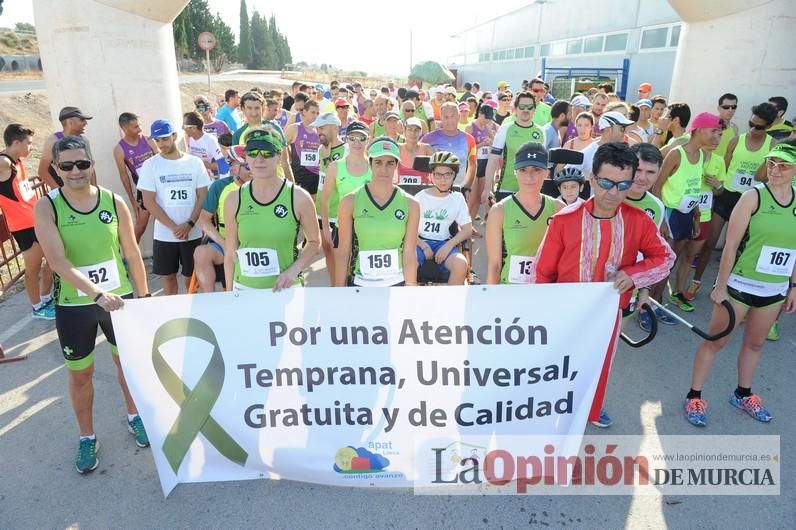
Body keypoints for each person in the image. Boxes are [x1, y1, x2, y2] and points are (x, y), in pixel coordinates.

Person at [534, 142, 675, 427]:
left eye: (623, 185)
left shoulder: (639, 222)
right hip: (564, 313)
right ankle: (546, 410)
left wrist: (634, 275)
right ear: (592, 178)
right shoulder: (564, 220)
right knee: (557, 365)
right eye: (606, 182)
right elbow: (543, 272)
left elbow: (665, 258)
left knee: (598, 364)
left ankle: (591, 410)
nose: (613, 193)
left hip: (609, 314)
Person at [33, 135, 151, 473]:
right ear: (56, 169)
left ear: (91, 164)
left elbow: (131, 252)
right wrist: (97, 293)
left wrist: (143, 299)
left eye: (81, 164)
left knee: (127, 365)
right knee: (81, 375)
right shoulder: (48, 206)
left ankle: (135, 416)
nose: (75, 171)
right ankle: (87, 437)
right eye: (66, 166)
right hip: (76, 305)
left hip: (121, 300)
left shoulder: (114, 202)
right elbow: (57, 261)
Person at [682, 141, 796, 427]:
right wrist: (720, 286)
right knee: (717, 342)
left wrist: (793, 286)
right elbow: (730, 246)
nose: (775, 170)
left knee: (755, 344)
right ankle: (694, 396)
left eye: (784, 165)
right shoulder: (753, 197)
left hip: (774, 289)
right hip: (741, 286)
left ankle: (743, 394)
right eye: (772, 163)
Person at [690, 102, 778, 307]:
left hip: (751, 202)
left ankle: (722, 286)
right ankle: (696, 282)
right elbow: (726, 168)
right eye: (751, 124)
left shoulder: (773, 145)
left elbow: (765, 177)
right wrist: (719, 185)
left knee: (738, 246)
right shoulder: (736, 141)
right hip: (728, 197)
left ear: (770, 126)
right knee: (709, 243)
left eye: (760, 127)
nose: (754, 129)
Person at [223, 129, 320, 291]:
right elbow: (230, 252)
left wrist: (292, 272)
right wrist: (229, 293)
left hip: (284, 288)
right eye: (253, 153)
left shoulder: (298, 197)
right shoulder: (234, 199)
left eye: (267, 153)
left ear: (279, 156)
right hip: (245, 288)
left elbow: (314, 242)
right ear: (246, 158)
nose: (259, 159)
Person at [653, 112, 722, 312]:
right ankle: (650, 305)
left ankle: (657, 303)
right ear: (699, 130)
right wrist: (661, 220)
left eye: (719, 134)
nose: (717, 138)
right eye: (714, 132)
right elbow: (657, 187)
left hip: (687, 214)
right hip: (670, 213)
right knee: (664, 262)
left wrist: (697, 216)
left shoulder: (701, 155)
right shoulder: (676, 153)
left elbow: (694, 189)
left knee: (672, 263)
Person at [335, 137, 420, 287]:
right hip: (361, 283)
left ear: (396, 165)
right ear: (370, 164)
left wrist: (410, 290)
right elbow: (343, 252)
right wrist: (339, 290)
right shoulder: (350, 201)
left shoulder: (411, 204)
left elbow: (409, 253)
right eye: (378, 162)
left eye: (390, 163)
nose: (384, 170)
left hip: (396, 283)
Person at [138, 120, 210, 295]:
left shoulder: (194, 162)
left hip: (191, 233)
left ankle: (193, 311)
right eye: (157, 140)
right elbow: (148, 202)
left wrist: (189, 224)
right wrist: (173, 227)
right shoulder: (150, 165)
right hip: (164, 235)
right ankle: (172, 314)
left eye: (165, 139)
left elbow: (203, 196)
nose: (161, 144)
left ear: (174, 136)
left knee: (191, 277)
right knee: (168, 277)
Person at [486, 142, 561, 285]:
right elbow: (494, 265)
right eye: (523, 170)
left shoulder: (559, 209)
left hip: (546, 290)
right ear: (515, 172)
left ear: (547, 172)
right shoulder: (499, 210)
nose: (529, 177)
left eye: (537, 170)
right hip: (511, 291)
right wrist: (491, 300)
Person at [0, 123, 54, 319]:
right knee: (32, 268)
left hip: (36, 220)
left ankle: (46, 298)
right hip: (23, 226)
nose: (32, 147)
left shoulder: (17, 161)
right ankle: (37, 307)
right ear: (16, 142)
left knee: (53, 260)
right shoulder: (4, 162)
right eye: (29, 144)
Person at [623, 143, 673, 331]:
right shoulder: (607, 194)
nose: (642, 178)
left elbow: (649, 254)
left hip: (628, 287)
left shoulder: (657, 206)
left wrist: (644, 291)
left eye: (650, 172)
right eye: (638, 169)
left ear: (659, 172)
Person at [192, 146, 252, 293]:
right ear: (234, 168)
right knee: (201, 253)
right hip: (226, 243)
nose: (253, 170)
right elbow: (203, 220)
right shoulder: (220, 186)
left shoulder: (262, 186)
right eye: (248, 166)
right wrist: (225, 244)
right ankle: (211, 301)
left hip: (253, 243)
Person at [415, 152, 473, 285]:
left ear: (454, 176)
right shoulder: (420, 197)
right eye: (438, 174)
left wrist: (449, 245)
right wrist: (423, 246)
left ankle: (451, 303)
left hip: (443, 242)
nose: (443, 179)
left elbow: (467, 229)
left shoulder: (457, 198)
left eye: (448, 174)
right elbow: (407, 229)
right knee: (409, 259)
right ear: (432, 175)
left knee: (460, 264)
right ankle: (412, 299)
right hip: (420, 242)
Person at [482, 92, 545, 204]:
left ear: (534, 110)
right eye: (522, 106)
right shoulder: (506, 129)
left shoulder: (541, 132)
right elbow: (492, 160)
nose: (526, 110)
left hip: (532, 190)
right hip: (508, 188)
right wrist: (487, 189)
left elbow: (543, 164)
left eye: (530, 107)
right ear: (515, 109)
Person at [320, 121, 372, 255]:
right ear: (346, 140)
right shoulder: (335, 167)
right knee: (342, 272)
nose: (357, 142)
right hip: (342, 228)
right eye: (352, 138)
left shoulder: (375, 166)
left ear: (368, 140)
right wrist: (325, 228)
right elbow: (324, 198)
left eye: (362, 138)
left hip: (369, 228)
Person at [112, 112, 158, 243]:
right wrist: (132, 200)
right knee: (141, 225)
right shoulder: (119, 149)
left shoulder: (149, 140)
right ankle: (131, 255)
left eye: (140, 125)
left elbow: (162, 161)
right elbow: (124, 175)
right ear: (125, 129)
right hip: (144, 190)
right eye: (135, 127)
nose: (140, 129)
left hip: (161, 185)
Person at [314, 112, 347, 283]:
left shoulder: (347, 150)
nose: (318, 132)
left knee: (340, 255)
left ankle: (342, 288)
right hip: (322, 210)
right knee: (327, 250)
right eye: (317, 128)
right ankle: (333, 286)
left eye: (322, 128)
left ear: (335, 127)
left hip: (339, 212)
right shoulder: (321, 149)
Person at [38, 106, 94, 189]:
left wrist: (94, 190)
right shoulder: (53, 141)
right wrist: (60, 193)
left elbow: (91, 168)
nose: (85, 123)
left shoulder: (84, 140)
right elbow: (42, 171)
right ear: (70, 122)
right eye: (82, 120)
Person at [465, 105, 498, 218]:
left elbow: (495, 143)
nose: (489, 120)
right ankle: (464, 225)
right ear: (480, 114)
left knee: (480, 198)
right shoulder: (470, 127)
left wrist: (490, 138)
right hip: (473, 164)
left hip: (484, 163)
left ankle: (472, 224)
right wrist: (481, 144)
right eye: (487, 117)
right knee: (471, 198)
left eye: (490, 118)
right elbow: (467, 149)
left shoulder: (487, 127)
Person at [286, 99, 322, 198]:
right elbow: (281, 146)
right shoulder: (294, 128)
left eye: (317, 113)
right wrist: (287, 160)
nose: (315, 115)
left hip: (315, 176)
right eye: (313, 112)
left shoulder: (319, 131)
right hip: (299, 176)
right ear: (304, 112)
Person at [182, 111, 229, 178]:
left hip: (209, 178)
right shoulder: (189, 138)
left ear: (193, 128)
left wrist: (206, 165)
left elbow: (223, 164)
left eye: (184, 126)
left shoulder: (210, 140)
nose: (182, 128)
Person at [397, 117, 433, 185]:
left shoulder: (427, 149)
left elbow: (434, 173)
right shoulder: (398, 148)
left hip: (422, 192)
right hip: (402, 192)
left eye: (416, 130)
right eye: (410, 130)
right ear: (404, 131)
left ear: (420, 132)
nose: (413, 133)